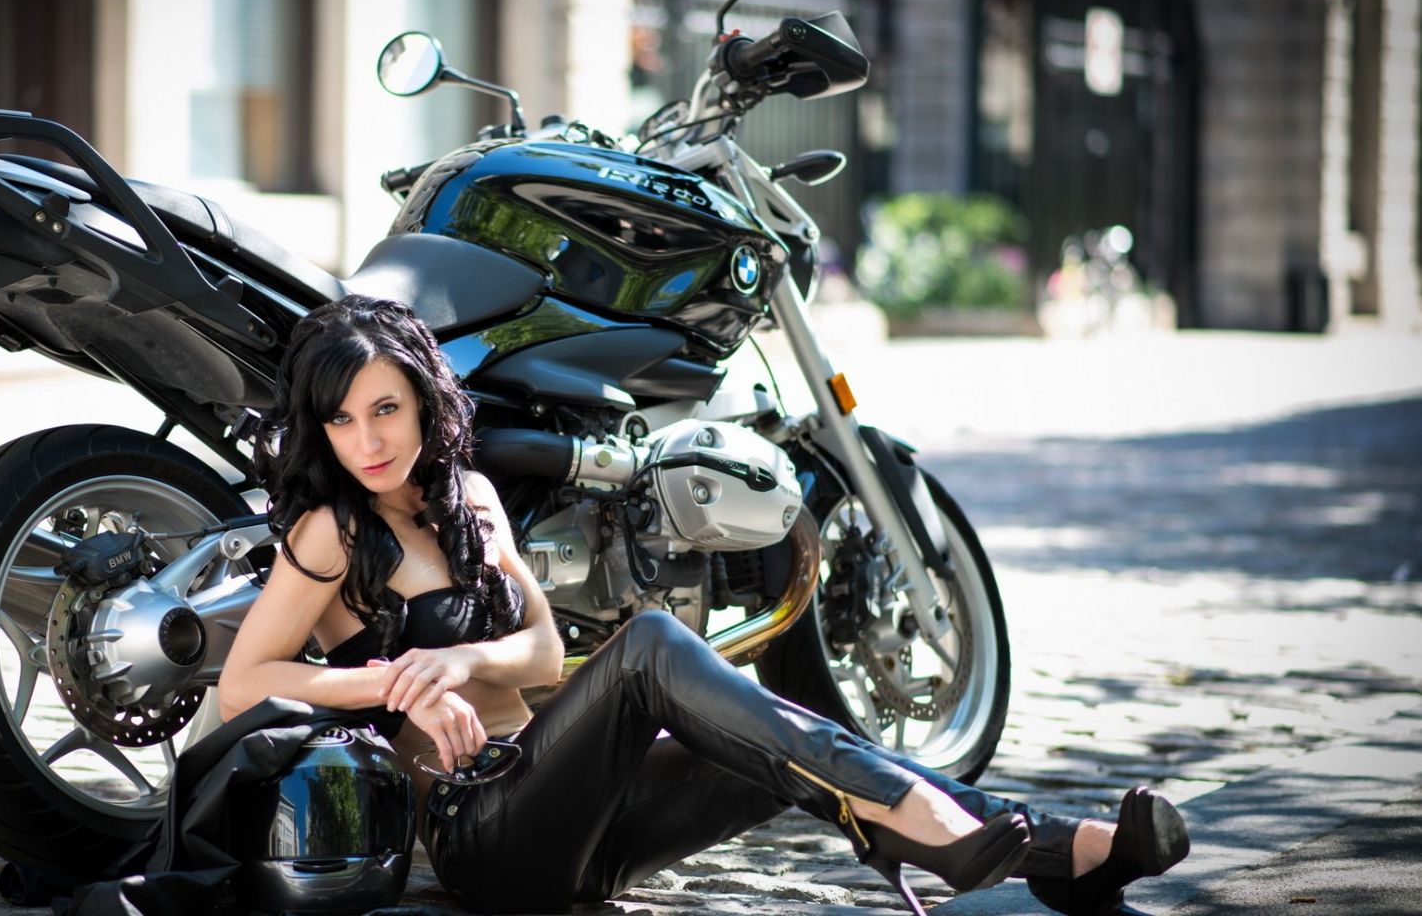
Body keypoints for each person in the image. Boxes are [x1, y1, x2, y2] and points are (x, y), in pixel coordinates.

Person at [216, 295, 1188, 916]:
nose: (366, 440)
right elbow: (243, 682)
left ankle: (1059, 856)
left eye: (385, 408)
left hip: (592, 824)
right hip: (487, 839)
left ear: (425, 401)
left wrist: (461, 661)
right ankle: (936, 824)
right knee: (648, 644)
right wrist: (393, 681)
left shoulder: (468, 499)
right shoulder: (331, 535)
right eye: (341, 419)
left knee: (777, 735)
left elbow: (544, 654)